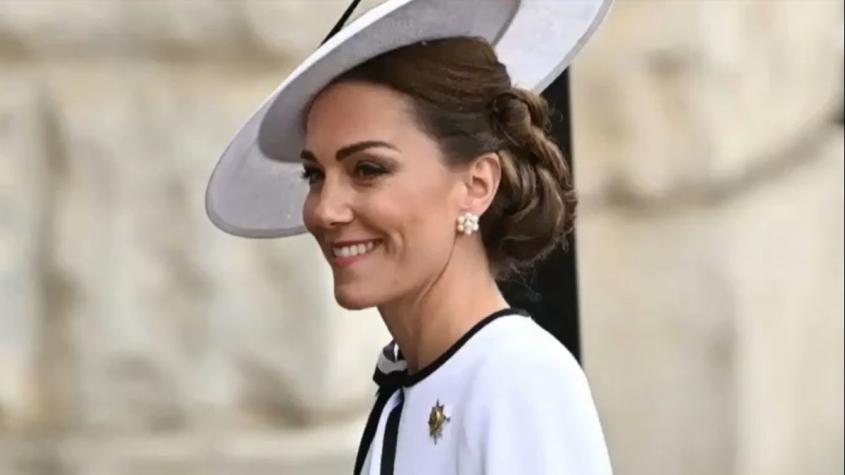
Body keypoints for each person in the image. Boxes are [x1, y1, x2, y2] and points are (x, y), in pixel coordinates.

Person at [205, 1, 614, 473]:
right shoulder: (408, 390)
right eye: (315, 175)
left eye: (368, 169)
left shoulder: (518, 377)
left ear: (476, 185)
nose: (324, 209)